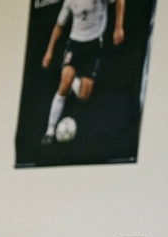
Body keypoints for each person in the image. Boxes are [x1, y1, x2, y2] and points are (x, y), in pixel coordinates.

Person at [41, 0, 125, 144]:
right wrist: (49, 52)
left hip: (93, 45)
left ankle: (74, 80)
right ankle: (50, 131)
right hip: (75, 44)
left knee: (83, 95)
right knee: (63, 86)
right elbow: (59, 25)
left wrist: (118, 27)